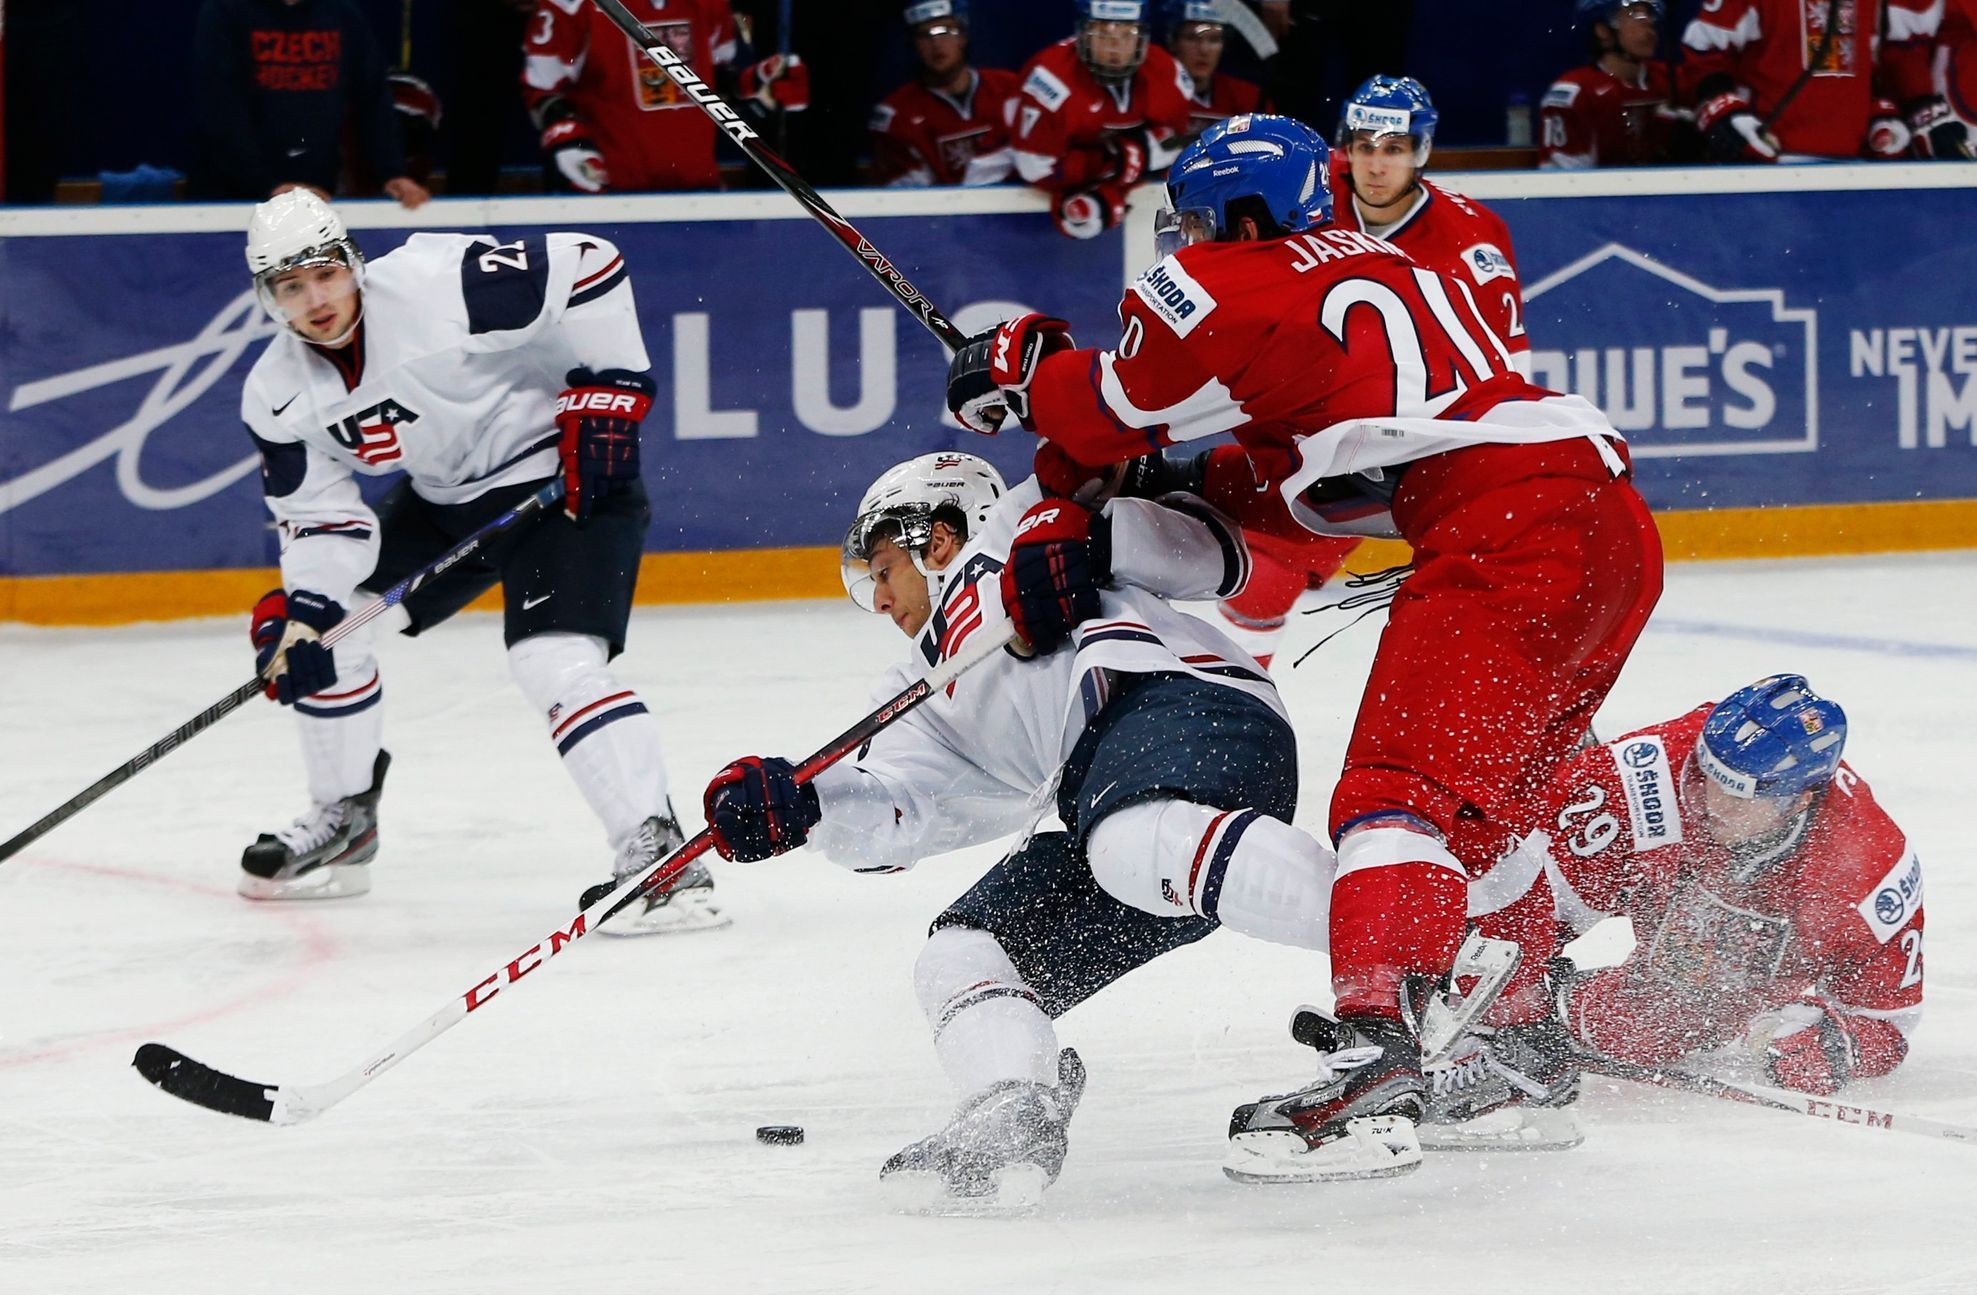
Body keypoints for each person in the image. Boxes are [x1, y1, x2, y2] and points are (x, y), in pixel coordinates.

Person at [946, 114, 1663, 1183]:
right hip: (1606, 531)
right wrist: (1150, 485)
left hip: (1506, 534)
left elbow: (1105, 410)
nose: (1184, 241)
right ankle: (1516, 1049)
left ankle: (1378, 1060)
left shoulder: (1221, 282)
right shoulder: (1392, 266)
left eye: (1195, 219)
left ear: (1239, 214)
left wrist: (1022, 364)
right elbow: (1313, 483)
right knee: (1486, 806)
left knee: (1394, 794)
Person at [697, 450, 1366, 1207]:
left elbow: (1169, 513)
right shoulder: (919, 686)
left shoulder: (1022, 521)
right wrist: (805, 806)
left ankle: (1434, 935)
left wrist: (1092, 526)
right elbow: (897, 808)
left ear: (938, 536)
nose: (879, 600)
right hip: (1113, 809)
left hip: (1189, 706)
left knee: (1125, 839)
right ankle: (1012, 1102)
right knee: (959, 952)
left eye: (882, 569)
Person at [235, 190, 723, 938]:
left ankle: (661, 856)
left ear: (353, 262)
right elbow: (321, 518)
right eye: (291, 287)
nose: (316, 300)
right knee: (332, 633)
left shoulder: (434, 283)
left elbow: (589, 264)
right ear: (269, 298)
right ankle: (346, 818)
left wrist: (611, 389)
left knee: (551, 659)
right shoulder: (275, 393)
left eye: (326, 274)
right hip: (445, 503)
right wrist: (306, 611)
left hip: (565, 478)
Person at [1207, 76, 1533, 669]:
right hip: (1319, 430)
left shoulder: (1472, 239)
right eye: (1363, 146)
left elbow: (1507, 367)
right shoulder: (1299, 199)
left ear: (1421, 152)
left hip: (1428, 443)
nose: (1376, 164)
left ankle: (1549, 710)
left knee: (1492, 583)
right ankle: (1236, 693)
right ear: (1344, 148)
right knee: (1264, 575)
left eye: (1394, 148)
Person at [1499, 676, 1923, 1098]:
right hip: (1634, 844)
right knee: (1499, 928)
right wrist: (1511, 1006)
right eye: (1706, 776)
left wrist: (1836, 1041)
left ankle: (1571, 1000)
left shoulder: (1868, 872)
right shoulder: (1639, 776)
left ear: (1799, 800)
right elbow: (1524, 908)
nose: (1709, 803)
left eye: (1738, 798)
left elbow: (1886, 1022)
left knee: (1650, 1027)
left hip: (1726, 925)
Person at [520, 0, 809, 193]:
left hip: (697, 195)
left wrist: (759, 86)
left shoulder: (708, 3)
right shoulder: (571, 7)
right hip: (611, 199)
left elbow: (712, 81)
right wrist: (569, 142)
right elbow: (542, 90)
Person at [191, 0, 431, 208]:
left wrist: (392, 173)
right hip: (232, 201)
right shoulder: (225, 12)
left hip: (317, 194)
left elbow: (372, 99)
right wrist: (267, 185)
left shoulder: (341, 13)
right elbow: (220, 110)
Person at [1678, 0, 1960, 161]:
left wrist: (1881, 117)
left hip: (1852, 170)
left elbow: (1863, 72)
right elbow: (1704, 52)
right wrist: (1727, 118)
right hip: (1769, 167)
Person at [1009, 0, 1198, 240]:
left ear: (1142, 36)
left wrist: (1116, 178)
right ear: (1083, 34)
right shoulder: (1049, 79)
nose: (1115, 47)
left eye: (1127, 34)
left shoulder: (1167, 73)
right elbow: (1034, 168)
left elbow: (1176, 149)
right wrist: (1113, 162)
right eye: (1103, 34)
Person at [868, 1, 1022, 186]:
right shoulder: (896, 116)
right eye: (924, 35)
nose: (936, 43)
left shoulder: (1010, 89)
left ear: (962, 37)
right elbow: (909, 201)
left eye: (945, 31)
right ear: (913, 45)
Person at [1539, 1, 1688, 169]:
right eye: (1633, 13)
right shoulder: (1575, 94)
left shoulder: (1674, 80)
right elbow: (1566, 184)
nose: (1648, 21)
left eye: (1648, 13)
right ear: (1602, 31)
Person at [1164, 0, 1267, 135]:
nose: (1204, 50)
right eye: (1192, 38)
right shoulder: (1152, 92)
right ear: (1173, 43)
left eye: (1214, 39)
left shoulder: (1247, 98)